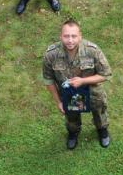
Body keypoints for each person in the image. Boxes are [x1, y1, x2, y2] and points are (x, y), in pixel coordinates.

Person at [42, 20, 112, 150]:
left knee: (99, 113)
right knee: (72, 118)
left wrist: (83, 81)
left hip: (93, 93)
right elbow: (48, 80)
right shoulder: (51, 55)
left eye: (74, 36)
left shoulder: (92, 51)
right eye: (66, 36)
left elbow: (106, 74)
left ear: (80, 36)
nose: (70, 40)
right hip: (69, 95)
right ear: (60, 36)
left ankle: (102, 130)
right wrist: (58, 102)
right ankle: (73, 133)